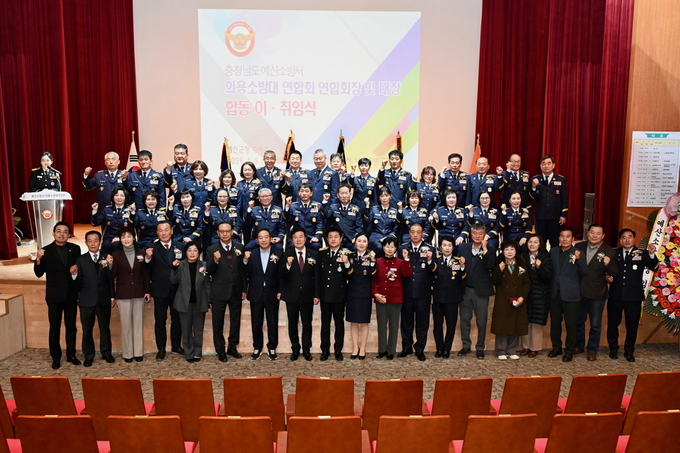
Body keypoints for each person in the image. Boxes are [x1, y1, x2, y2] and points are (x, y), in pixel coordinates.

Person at [34, 221, 82, 370]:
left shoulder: (75, 249)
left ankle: (71, 355)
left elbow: (78, 269)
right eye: (59, 231)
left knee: (71, 327)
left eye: (65, 231)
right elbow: (38, 273)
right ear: (53, 233)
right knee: (54, 327)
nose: (62, 234)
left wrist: (75, 271)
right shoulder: (46, 251)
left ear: (69, 235)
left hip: (71, 295)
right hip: (54, 295)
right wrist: (38, 259)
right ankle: (56, 357)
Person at [606, 229, 658, 362]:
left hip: (634, 297)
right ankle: (613, 348)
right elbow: (606, 269)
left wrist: (652, 254)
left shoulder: (642, 253)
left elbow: (654, 267)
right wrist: (606, 276)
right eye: (624, 237)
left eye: (630, 237)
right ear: (620, 240)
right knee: (612, 324)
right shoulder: (614, 252)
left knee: (632, 326)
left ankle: (629, 351)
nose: (627, 240)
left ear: (634, 239)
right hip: (615, 295)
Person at [574, 224, 618, 361]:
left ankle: (592, 350)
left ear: (603, 236)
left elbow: (614, 272)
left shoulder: (609, 251)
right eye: (592, 232)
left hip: (597, 293)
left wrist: (607, 265)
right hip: (579, 291)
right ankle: (579, 345)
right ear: (588, 233)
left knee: (596, 324)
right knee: (578, 322)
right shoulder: (578, 247)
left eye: (598, 233)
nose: (594, 235)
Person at [106, 227, 150, 362]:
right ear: (120, 239)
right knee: (126, 325)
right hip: (123, 294)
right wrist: (110, 265)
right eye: (123, 237)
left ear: (134, 237)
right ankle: (128, 354)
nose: (126, 239)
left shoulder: (141, 253)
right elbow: (112, 276)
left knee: (138, 324)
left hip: (139, 292)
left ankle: (138, 353)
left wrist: (147, 291)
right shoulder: (116, 255)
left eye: (129, 236)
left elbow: (146, 273)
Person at [73, 230, 115, 366]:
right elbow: (77, 282)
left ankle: (106, 353)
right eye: (90, 241)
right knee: (87, 330)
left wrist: (112, 296)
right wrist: (74, 275)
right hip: (86, 300)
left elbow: (110, 279)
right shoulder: (80, 259)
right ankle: (89, 355)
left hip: (103, 299)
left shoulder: (107, 257)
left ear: (100, 242)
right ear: (86, 243)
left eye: (95, 240)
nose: (93, 243)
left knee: (105, 327)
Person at [206, 222, 246, 362]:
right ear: (217, 233)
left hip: (236, 290)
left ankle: (232, 347)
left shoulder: (239, 247)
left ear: (232, 232)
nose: (224, 234)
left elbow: (242, 271)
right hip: (218, 292)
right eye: (222, 231)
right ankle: (220, 350)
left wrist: (244, 289)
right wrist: (215, 261)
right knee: (218, 323)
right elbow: (208, 271)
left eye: (227, 231)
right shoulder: (212, 249)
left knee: (235, 321)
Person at [144, 221, 183, 360]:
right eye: (160, 230)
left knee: (177, 320)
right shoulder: (152, 248)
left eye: (166, 230)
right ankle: (161, 349)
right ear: (157, 233)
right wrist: (147, 258)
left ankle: (176, 346)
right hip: (160, 290)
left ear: (171, 231)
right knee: (160, 321)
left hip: (177, 290)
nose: (164, 233)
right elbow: (147, 270)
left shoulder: (180, 246)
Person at [548, 227, 589, 362]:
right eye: (562, 236)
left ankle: (570, 350)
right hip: (555, 293)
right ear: (559, 238)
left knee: (571, 325)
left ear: (572, 239)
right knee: (555, 324)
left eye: (567, 236)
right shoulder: (553, 251)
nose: (564, 239)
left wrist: (579, 259)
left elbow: (584, 272)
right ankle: (556, 347)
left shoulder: (578, 252)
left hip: (571, 294)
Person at [280, 227, 320, 361]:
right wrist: (287, 265)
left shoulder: (314, 254)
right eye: (295, 237)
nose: (298, 240)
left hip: (308, 295)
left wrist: (317, 294)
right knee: (293, 324)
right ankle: (295, 349)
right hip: (292, 295)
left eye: (301, 237)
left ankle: (307, 350)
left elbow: (317, 277)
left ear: (305, 239)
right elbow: (281, 275)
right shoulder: (286, 254)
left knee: (307, 324)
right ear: (292, 240)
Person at [457, 222, 496, 359]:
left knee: (481, 321)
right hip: (465, 290)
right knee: (464, 319)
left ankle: (480, 347)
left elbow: (490, 265)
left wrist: (485, 250)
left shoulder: (490, 249)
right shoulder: (463, 247)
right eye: (475, 233)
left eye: (480, 233)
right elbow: (457, 267)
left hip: (481, 291)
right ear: (471, 234)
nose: (477, 236)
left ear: (484, 235)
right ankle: (466, 346)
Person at [399, 223, 436, 361]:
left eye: (418, 232)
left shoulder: (430, 249)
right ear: (409, 233)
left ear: (422, 234)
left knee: (422, 323)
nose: (415, 234)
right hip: (407, 292)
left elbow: (434, 271)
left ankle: (420, 349)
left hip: (423, 293)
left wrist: (430, 260)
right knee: (406, 322)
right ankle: (406, 347)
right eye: (413, 232)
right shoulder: (402, 248)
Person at [243, 228, 282, 361]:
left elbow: (281, 275)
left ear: (271, 239)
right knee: (256, 322)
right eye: (261, 237)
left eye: (266, 237)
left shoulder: (278, 253)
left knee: (272, 321)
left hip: (272, 293)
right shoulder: (251, 254)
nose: (264, 240)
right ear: (257, 240)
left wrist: (280, 291)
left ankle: (272, 347)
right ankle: (257, 347)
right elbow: (245, 273)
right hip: (256, 293)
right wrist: (245, 261)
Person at [170, 241, 210, 363]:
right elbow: (173, 281)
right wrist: (174, 268)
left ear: (199, 253)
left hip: (200, 301)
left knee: (198, 330)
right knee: (186, 330)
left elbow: (207, 284)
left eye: (195, 250)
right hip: (184, 302)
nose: (192, 253)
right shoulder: (180, 264)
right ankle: (189, 353)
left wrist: (209, 300)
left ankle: (197, 352)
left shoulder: (203, 265)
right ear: (186, 252)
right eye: (189, 250)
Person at [372, 237, 412, 360]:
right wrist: (375, 293)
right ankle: (382, 350)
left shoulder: (400, 262)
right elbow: (373, 279)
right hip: (381, 297)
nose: (389, 249)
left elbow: (407, 273)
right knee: (381, 325)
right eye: (387, 246)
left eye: (392, 247)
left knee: (394, 326)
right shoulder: (377, 261)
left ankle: (391, 351)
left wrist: (406, 259)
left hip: (395, 298)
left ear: (396, 249)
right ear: (383, 247)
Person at [490, 240, 531, 360]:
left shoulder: (521, 263)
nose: (509, 252)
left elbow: (527, 282)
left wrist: (522, 297)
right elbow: (494, 281)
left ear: (516, 251)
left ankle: (512, 350)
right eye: (506, 249)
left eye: (512, 249)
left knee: (515, 324)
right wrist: (499, 270)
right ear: (502, 251)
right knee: (502, 325)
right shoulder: (499, 263)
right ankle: (501, 350)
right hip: (503, 299)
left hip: (517, 299)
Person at [317, 227, 352, 361]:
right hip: (325, 295)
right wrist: (317, 294)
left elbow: (351, 275)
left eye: (336, 237)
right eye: (330, 237)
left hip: (339, 295)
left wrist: (346, 263)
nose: (333, 239)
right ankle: (325, 350)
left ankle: (338, 350)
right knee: (325, 324)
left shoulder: (346, 254)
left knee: (339, 324)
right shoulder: (322, 253)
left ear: (341, 239)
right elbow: (318, 277)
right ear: (327, 239)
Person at [519, 234, 553, 357]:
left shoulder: (546, 257)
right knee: (526, 321)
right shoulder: (523, 257)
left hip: (541, 294)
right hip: (526, 294)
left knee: (537, 322)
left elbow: (548, 276)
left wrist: (540, 267)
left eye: (535, 242)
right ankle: (526, 346)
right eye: (530, 242)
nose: (532, 244)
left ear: (540, 244)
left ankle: (535, 347)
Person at [346, 233, 376, 360]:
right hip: (352, 292)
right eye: (359, 241)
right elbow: (348, 275)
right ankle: (355, 348)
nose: (361, 244)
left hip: (365, 293)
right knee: (353, 322)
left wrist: (373, 261)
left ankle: (363, 348)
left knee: (364, 322)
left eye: (364, 241)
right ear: (355, 242)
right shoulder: (350, 256)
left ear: (368, 243)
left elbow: (373, 275)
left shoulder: (371, 256)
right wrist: (346, 263)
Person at [531, 155, 568, 249]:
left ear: (553, 165)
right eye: (543, 163)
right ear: (540, 166)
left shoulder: (560, 179)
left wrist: (563, 214)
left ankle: (554, 258)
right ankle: (542, 258)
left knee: (554, 241)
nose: (546, 166)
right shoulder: (536, 179)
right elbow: (531, 198)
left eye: (548, 163)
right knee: (541, 241)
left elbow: (564, 198)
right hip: (540, 216)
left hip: (555, 216)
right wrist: (534, 187)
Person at [91, 187, 135, 255]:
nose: (119, 198)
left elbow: (133, 226)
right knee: (106, 246)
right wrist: (95, 210)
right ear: (113, 197)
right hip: (109, 237)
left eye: (122, 195)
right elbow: (95, 223)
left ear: (126, 197)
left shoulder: (129, 210)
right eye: (116, 195)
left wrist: (133, 213)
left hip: (124, 237)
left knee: (116, 245)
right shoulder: (107, 209)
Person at [243, 188, 285, 255]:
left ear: (271, 197)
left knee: (279, 248)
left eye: (267, 196)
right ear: (259, 199)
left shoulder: (278, 210)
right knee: (247, 248)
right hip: (258, 240)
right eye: (262, 197)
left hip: (273, 239)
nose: (265, 198)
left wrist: (279, 238)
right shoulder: (254, 210)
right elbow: (246, 223)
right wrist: (249, 209)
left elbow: (282, 228)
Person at [322, 183, 363, 250]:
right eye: (342, 193)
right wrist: (325, 202)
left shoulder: (356, 209)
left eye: (346, 193)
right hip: (337, 239)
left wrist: (356, 237)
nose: (344, 196)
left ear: (350, 194)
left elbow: (359, 226)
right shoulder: (333, 207)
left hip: (351, 239)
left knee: (356, 248)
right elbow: (327, 215)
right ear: (338, 195)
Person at [284, 183, 325, 251]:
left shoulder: (317, 206)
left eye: (306, 191)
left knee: (316, 245)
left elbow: (320, 223)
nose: (304, 193)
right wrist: (287, 206)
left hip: (311, 236)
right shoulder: (293, 206)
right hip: (298, 237)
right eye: (302, 191)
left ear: (311, 193)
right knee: (291, 245)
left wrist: (317, 237)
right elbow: (288, 220)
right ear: (298, 193)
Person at [365, 187, 400, 252]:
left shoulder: (395, 211)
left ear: (390, 196)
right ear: (379, 198)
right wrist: (367, 206)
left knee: (390, 248)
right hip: (375, 238)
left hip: (389, 238)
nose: (384, 198)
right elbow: (367, 222)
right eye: (382, 196)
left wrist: (388, 237)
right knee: (379, 247)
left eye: (386, 195)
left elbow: (396, 228)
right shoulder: (374, 209)